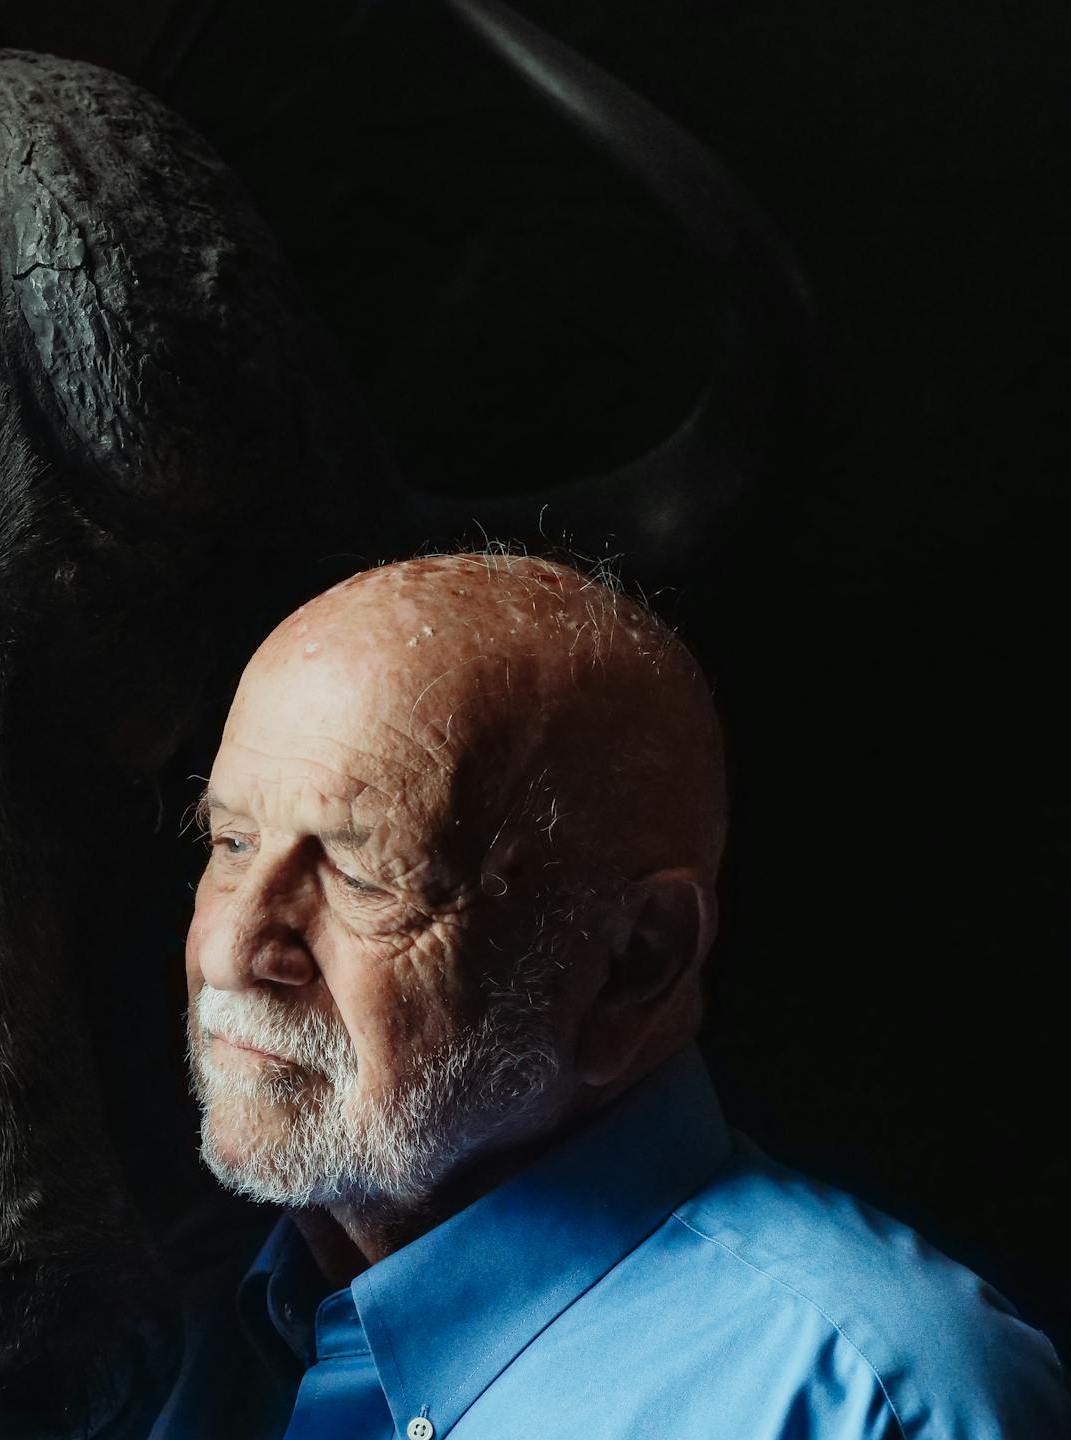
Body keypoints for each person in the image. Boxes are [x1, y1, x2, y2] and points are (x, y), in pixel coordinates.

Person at [153, 552, 1067, 1439]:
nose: (234, 950)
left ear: (635, 961)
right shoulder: (141, 1331)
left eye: (362, 876)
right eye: (231, 844)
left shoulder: (870, 1407)